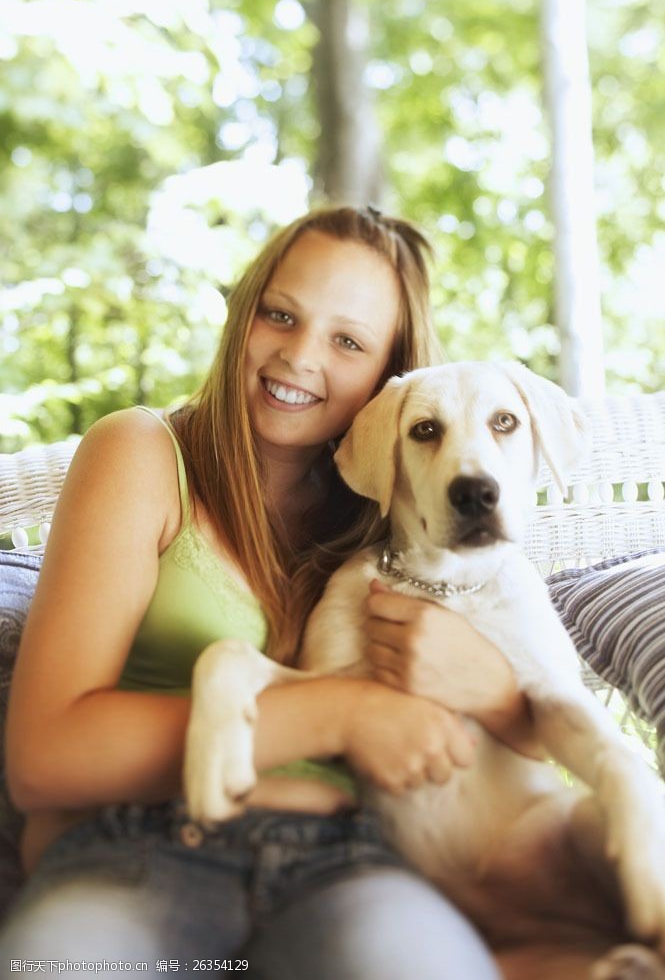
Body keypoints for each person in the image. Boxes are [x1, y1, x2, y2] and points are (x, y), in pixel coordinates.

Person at [0, 206, 531, 979]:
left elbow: (503, 716)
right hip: (136, 851)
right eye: (279, 315)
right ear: (243, 313)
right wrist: (340, 714)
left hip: (352, 864)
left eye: (347, 341)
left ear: (390, 377)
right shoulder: (141, 456)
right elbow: (45, 758)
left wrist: (493, 690)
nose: (298, 355)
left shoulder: (406, 512)